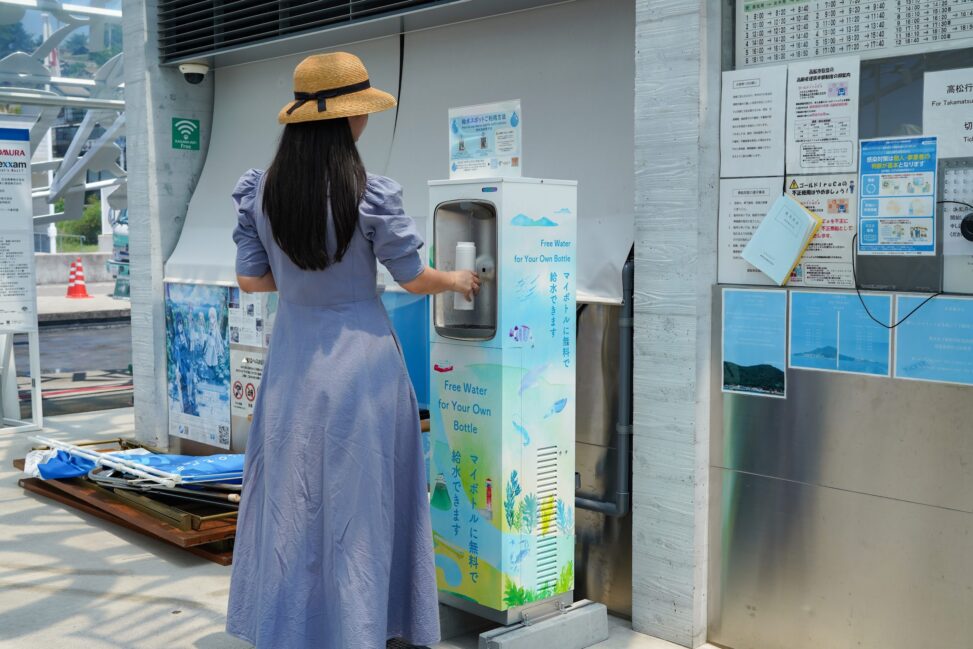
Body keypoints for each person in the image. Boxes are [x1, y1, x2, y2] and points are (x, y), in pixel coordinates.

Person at [226, 52, 479, 649]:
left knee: (291, 500)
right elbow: (413, 277)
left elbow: (251, 280)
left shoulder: (262, 193)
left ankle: (291, 629)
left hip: (292, 362)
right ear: (348, 121)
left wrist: (300, 280)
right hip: (363, 364)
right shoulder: (369, 193)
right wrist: (461, 281)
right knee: (364, 501)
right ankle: (364, 628)